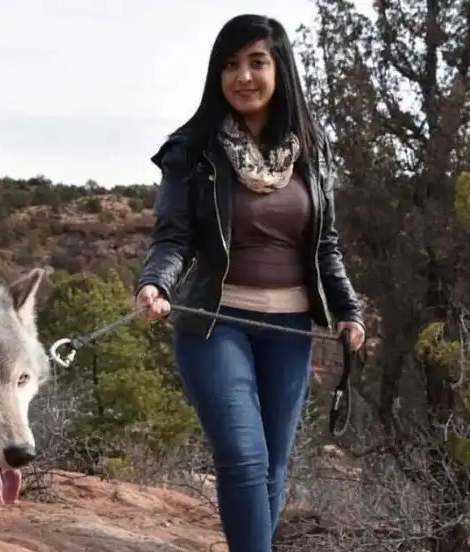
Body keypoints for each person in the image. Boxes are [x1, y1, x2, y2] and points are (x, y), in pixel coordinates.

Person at [133, 13, 366, 552]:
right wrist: (156, 284)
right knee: (243, 457)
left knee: (274, 466)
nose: (243, 76)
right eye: (230, 64)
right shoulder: (191, 148)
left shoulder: (312, 150)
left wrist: (347, 309)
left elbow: (326, 244)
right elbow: (172, 237)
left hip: (289, 328)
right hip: (215, 323)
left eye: (256, 62)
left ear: (279, 68)